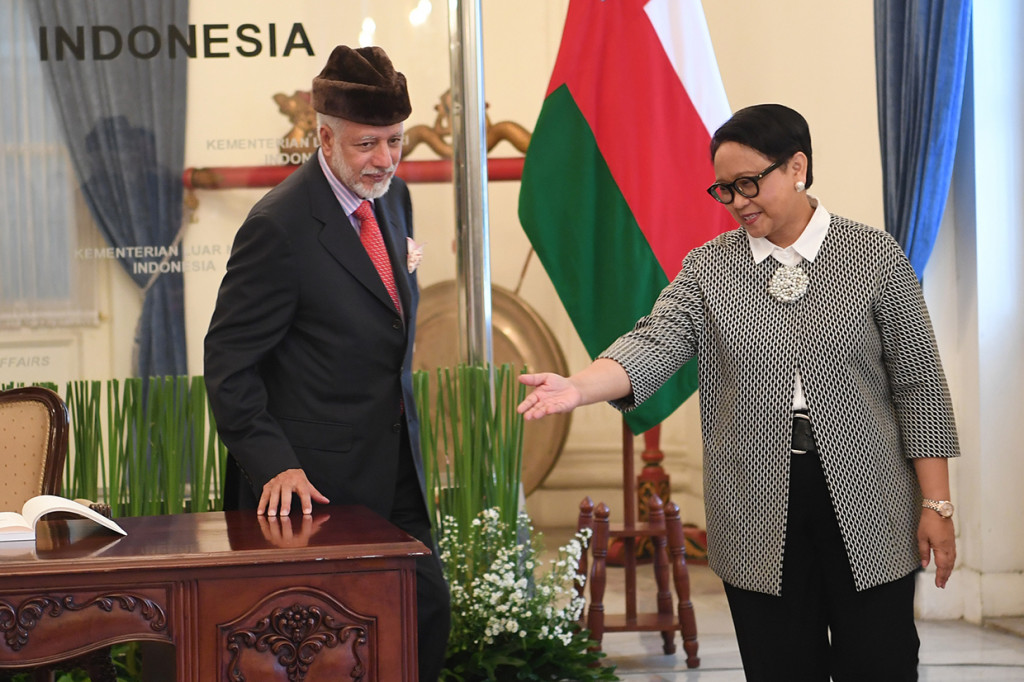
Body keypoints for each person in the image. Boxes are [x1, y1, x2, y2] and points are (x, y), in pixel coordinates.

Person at [517, 103, 959, 681]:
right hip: (754, 503)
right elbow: (653, 342)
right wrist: (577, 388)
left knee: (880, 662)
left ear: (797, 167)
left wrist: (937, 504)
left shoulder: (874, 255)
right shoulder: (709, 268)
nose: (737, 201)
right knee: (780, 666)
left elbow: (919, 385)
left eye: (749, 183)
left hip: (869, 499)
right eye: (724, 189)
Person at [204, 44, 450, 681]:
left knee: (425, 614)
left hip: (396, 465)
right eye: (368, 144)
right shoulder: (278, 225)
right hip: (313, 490)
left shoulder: (393, 198)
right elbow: (228, 364)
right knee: (333, 652)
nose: (385, 160)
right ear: (325, 138)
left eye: (395, 141)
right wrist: (275, 465)